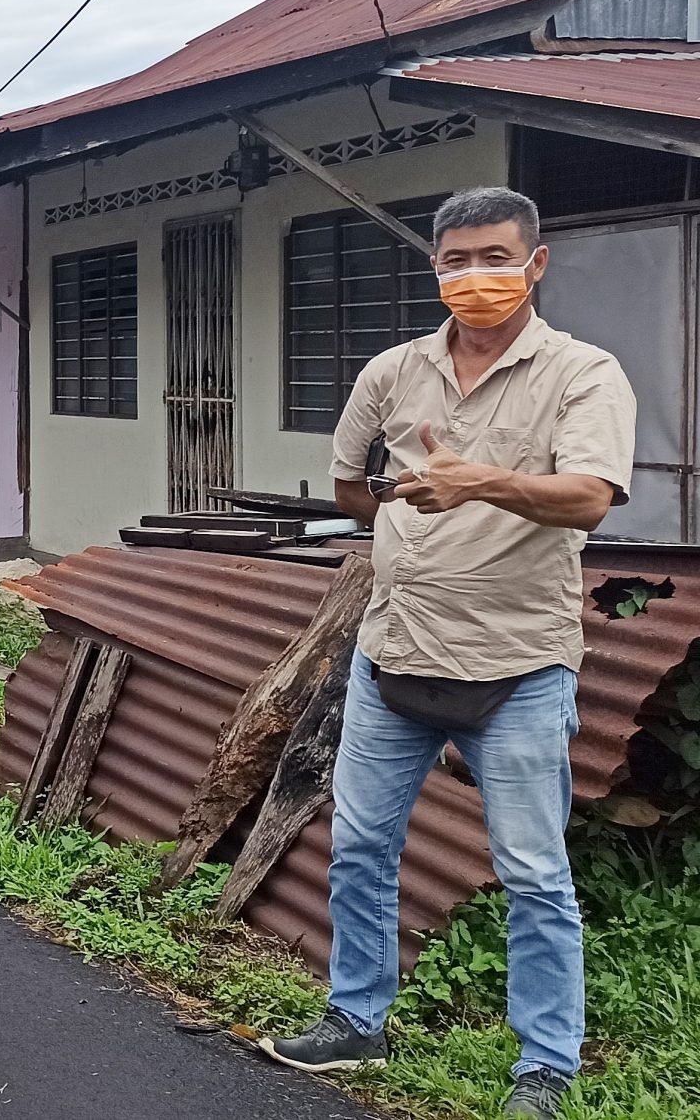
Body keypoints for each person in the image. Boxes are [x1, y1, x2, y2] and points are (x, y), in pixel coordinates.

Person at [260, 188, 631, 1119]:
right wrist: (405, 506)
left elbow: (589, 498)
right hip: (396, 652)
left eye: (496, 258)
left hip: (518, 663)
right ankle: (357, 1017)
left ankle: (544, 1064)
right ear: (435, 267)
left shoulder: (583, 373)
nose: (475, 277)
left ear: (535, 264)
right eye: (456, 260)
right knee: (361, 850)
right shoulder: (391, 372)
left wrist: (484, 486)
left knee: (535, 874)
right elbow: (351, 487)